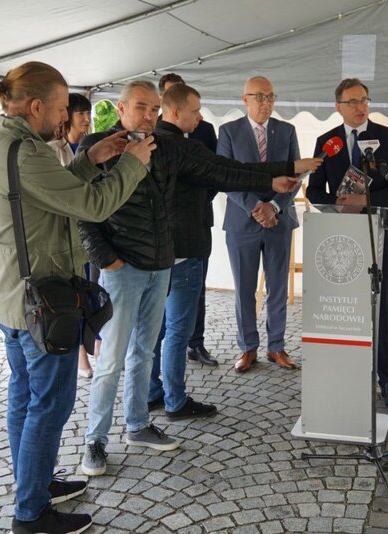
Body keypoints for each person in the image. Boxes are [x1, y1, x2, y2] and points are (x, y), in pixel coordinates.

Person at [78, 80, 317, 477]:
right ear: (120, 108)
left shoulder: (167, 146)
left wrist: (285, 171)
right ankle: (95, 440)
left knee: (143, 351)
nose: (149, 115)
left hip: (160, 265)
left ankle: (137, 425)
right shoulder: (98, 147)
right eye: (141, 107)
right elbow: (83, 210)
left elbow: (224, 170)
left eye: (155, 109)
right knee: (112, 358)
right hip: (122, 270)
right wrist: (108, 260)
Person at [0, 61, 153, 534]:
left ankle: (34, 484)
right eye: (58, 108)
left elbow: (38, 195)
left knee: (24, 397)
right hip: (42, 302)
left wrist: (89, 161)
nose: (63, 116)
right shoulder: (26, 150)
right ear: (35, 106)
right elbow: (91, 205)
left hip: (12, 295)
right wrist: (133, 164)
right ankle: (31, 514)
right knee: (49, 404)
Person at [307, 78, 388, 411]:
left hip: (383, 230)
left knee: (385, 309)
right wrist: (338, 203)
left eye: (364, 100)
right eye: (352, 102)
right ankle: (343, 375)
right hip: (340, 236)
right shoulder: (327, 142)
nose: (360, 106)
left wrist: (363, 199)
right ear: (338, 107)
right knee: (345, 308)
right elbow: (312, 191)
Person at [218, 76, 302, 373]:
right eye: (259, 97)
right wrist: (256, 206)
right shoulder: (228, 132)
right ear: (245, 99)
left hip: (279, 220)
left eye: (271, 97)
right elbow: (224, 176)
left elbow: (296, 175)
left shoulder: (287, 130)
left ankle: (276, 346)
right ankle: (247, 347)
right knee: (244, 288)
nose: (266, 103)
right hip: (243, 221)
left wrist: (274, 206)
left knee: (278, 287)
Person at [146, 83, 220, 419]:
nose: (200, 116)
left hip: (156, 252)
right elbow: (227, 173)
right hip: (185, 250)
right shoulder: (181, 147)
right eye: (195, 110)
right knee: (177, 330)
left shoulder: (148, 144)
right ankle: (175, 400)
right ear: (175, 111)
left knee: (154, 329)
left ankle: (151, 392)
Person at [158, 74, 220, 366]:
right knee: (163, 302)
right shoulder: (152, 136)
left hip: (198, 221)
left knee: (196, 289)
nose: (195, 114)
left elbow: (219, 172)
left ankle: (196, 343)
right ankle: (164, 374)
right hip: (166, 231)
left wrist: (198, 200)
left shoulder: (205, 130)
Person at [48, 92, 98, 379]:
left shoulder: (77, 147)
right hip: (68, 237)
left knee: (88, 292)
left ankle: (93, 344)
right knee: (75, 297)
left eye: (85, 113)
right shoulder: (53, 149)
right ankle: (80, 354)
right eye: (78, 113)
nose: (84, 118)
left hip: (84, 236)